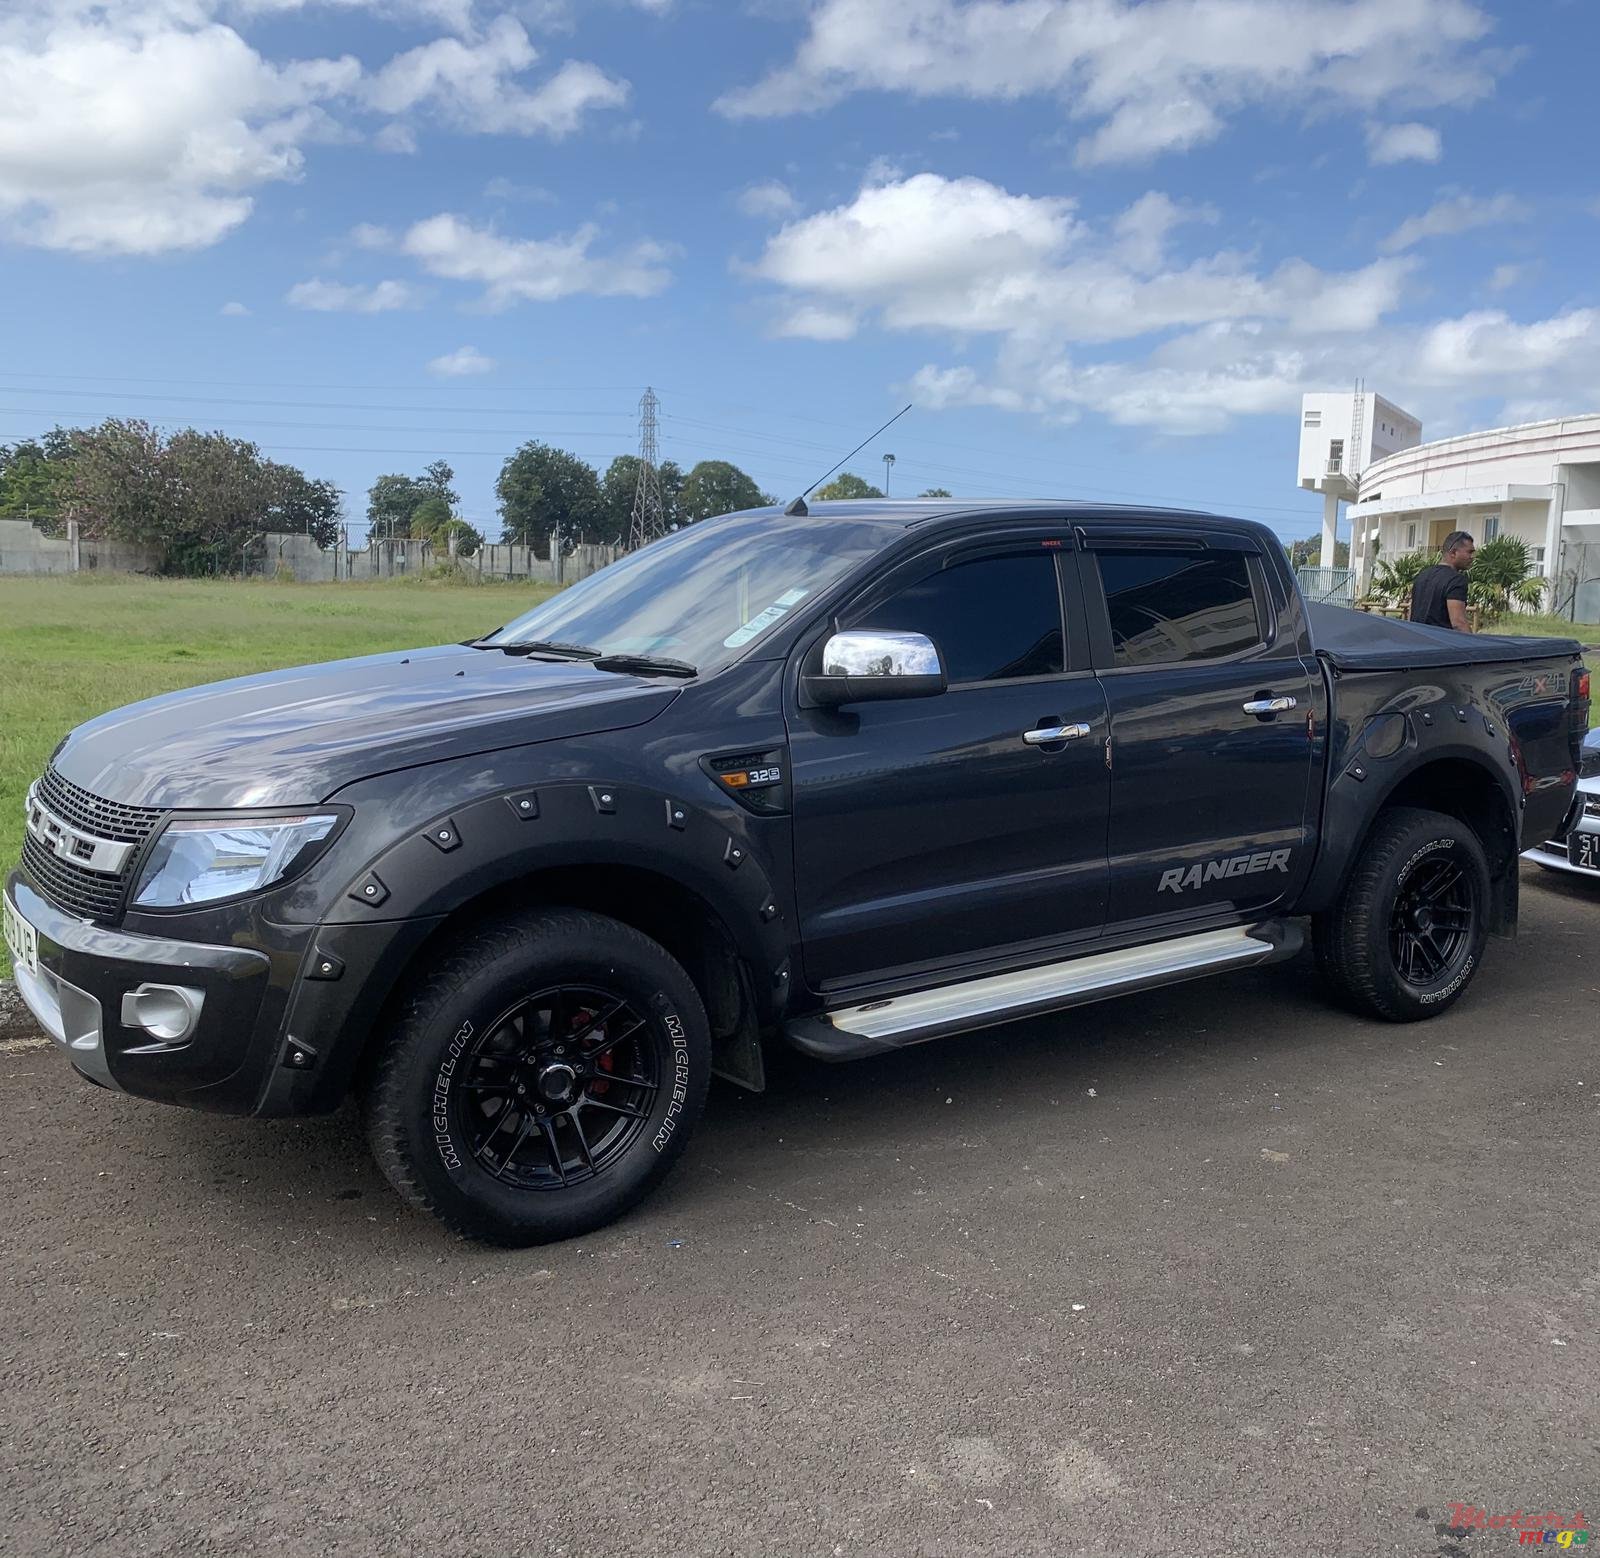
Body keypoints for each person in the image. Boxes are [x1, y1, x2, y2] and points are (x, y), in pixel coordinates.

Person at [1409, 531, 1475, 632]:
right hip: (1442, 643)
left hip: (1416, 641)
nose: (1472, 557)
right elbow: (1458, 623)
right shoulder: (1456, 580)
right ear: (1453, 553)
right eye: (1469, 552)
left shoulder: (1422, 575)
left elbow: (1411, 614)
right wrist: (1474, 645)